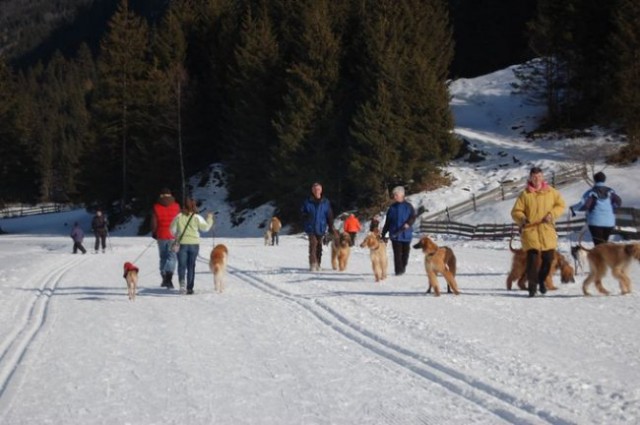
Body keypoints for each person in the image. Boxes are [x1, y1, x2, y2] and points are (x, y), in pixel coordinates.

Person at [511, 167, 566, 297]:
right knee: (532, 261)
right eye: (534, 177)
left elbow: (561, 205)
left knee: (548, 260)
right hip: (531, 232)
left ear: (543, 177)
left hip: (547, 231)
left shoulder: (551, 192)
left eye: (539, 176)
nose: (537, 179)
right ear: (530, 178)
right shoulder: (524, 194)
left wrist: (551, 215)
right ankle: (532, 287)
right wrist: (522, 219)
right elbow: (515, 211)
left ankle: (541, 280)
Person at [170, 198, 214, 295]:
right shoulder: (197, 217)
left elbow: (172, 230)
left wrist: (178, 234)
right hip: (194, 244)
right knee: (191, 266)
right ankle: (190, 288)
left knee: (182, 265)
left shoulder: (178, 216)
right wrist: (210, 218)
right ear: (194, 206)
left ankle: (182, 284)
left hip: (182, 243)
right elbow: (205, 228)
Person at [570, 171, 622, 246]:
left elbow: (584, 204)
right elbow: (618, 202)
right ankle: (605, 256)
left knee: (598, 246)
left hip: (595, 222)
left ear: (595, 180)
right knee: (604, 244)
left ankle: (601, 256)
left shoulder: (591, 192)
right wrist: (612, 208)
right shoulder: (610, 192)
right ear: (604, 180)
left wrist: (573, 208)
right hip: (609, 222)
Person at [381, 186, 416, 276]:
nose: (394, 196)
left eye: (396, 195)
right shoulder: (392, 208)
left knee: (405, 255)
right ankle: (398, 272)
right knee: (397, 255)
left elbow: (413, 217)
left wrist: (408, 223)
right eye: (394, 195)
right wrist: (384, 233)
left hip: (406, 234)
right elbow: (388, 222)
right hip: (395, 235)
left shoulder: (408, 206)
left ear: (402, 195)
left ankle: (402, 268)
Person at [301, 182, 335, 271]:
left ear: (321, 190)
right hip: (311, 227)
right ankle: (313, 264)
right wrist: (305, 216)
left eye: (318, 189)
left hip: (321, 227)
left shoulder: (325, 202)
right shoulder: (307, 201)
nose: (317, 191)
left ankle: (318, 264)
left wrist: (331, 226)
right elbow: (302, 212)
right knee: (313, 245)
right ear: (312, 191)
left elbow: (329, 215)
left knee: (319, 246)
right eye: (315, 189)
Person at [151, 187, 181, 288]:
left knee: (163, 256)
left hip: (161, 235)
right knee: (172, 256)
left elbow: (154, 222)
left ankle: (164, 277)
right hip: (173, 235)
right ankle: (168, 278)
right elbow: (179, 221)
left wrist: (154, 232)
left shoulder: (156, 207)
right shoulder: (177, 206)